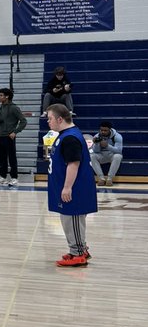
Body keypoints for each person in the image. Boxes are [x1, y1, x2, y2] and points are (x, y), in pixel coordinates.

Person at [46, 103, 98, 266]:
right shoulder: (66, 134)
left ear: (60, 119)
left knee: (73, 219)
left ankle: (78, 254)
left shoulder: (70, 137)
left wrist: (67, 187)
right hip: (67, 186)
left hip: (74, 188)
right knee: (69, 220)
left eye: (50, 119)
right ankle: (79, 248)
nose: (48, 122)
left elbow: (73, 164)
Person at [0, 87, 27, 186]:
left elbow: (23, 121)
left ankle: (14, 178)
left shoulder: (14, 108)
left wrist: (15, 132)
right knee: (1, 158)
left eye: (1, 95)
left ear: (7, 96)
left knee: (12, 158)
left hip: (9, 137)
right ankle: (2, 177)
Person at [89, 120, 123, 187]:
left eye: (105, 130)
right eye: (101, 130)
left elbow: (119, 150)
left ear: (110, 130)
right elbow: (96, 151)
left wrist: (107, 146)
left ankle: (109, 179)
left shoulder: (117, 136)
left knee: (118, 156)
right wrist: (96, 144)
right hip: (101, 155)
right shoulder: (97, 136)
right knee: (91, 156)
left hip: (111, 155)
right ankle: (101, 178)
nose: (103, 132)